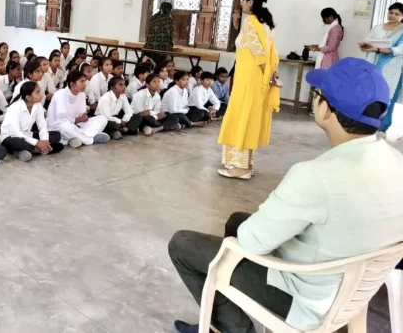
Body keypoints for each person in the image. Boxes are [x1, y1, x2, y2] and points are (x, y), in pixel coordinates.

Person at [169, 58, 403, 333]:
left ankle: (234, 328)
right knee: (236, 220)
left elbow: (252, 241)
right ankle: (218, 315)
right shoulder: (396, 161)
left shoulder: (315, 175)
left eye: (318, 96)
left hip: (306, 299)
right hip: (352, 288)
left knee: (183, 244)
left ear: (326, 109)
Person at [218, 0, 280, 179]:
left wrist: (265, 76)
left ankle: (241, 167)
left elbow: (260, 54)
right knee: (247, 117)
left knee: (242, 117)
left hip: (250, 79)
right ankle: (244, 164)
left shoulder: (251, 22)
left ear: (251, 2)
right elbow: (271, 53)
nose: (242, 3)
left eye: (243, 0)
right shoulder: (265, 23)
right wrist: (270, 77)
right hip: (253, 78)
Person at [359, 2, 403, 132]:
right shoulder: (377, 28)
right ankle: (367, 123)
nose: (393, 16)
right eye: (390, 12)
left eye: (397, 14)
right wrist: (364, 46)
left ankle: (383, 128)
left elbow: (400, 49)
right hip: (373, 67)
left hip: (392, 70)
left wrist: (378, 49)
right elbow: (367, 40)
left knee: (388, 98)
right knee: (370, 96)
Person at [0, 81, 64, 161]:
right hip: (11, 137)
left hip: (27, 135)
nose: (41, 95)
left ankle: (26, 151)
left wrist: (44, 140)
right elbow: (15, 133)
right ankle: (39, 150)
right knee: (17, 142)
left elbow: (42, 126)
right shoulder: (15, 108)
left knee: (56, 135)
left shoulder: (38, 106)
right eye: (37, 92)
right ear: (28, 97)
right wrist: (37, 143)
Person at [47, 70, 109, 147]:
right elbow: (62, 119)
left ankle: (77, 138)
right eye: (81, 82)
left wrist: (80, 120)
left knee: (102, 119)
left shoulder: (82, 94)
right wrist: (78, 120)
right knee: (66, 127)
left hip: (77, 125)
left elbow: (83, 116)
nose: (84, 84)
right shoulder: (60, 94)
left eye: (85, 81)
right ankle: (90, 139)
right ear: (72, 84)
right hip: (59, 125)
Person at [145, 2, 175, 68]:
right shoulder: (169, 20)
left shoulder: (153, 18)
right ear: (169, 10)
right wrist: (171, 45)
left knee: (148, 66)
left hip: (148, 48)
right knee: (159, 67)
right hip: (161, 50)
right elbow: (170, 35)